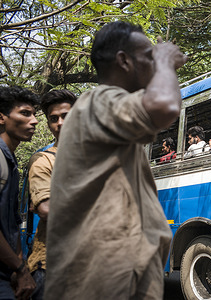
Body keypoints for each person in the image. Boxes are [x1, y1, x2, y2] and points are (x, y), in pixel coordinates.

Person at [44, 21, 187, 300]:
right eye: (148, 56)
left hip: (122, 272)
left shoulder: (112, 120)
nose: (153, 63)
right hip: (104, 275)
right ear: (124, 61)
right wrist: (165, 61)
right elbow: (164, 106)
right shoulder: (98, 101)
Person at [26, 89, 77, 300]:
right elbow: (46, 209)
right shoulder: (42, 161)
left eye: (66, 116)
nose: (60, 123)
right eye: (53, 118)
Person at [0, 86, 38, 300]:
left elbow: (12, 222)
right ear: (2, 118)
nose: (34, 120)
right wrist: (21, 269)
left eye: (34, 114)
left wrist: (17, 264)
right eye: (25, 113)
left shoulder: (11, 161)